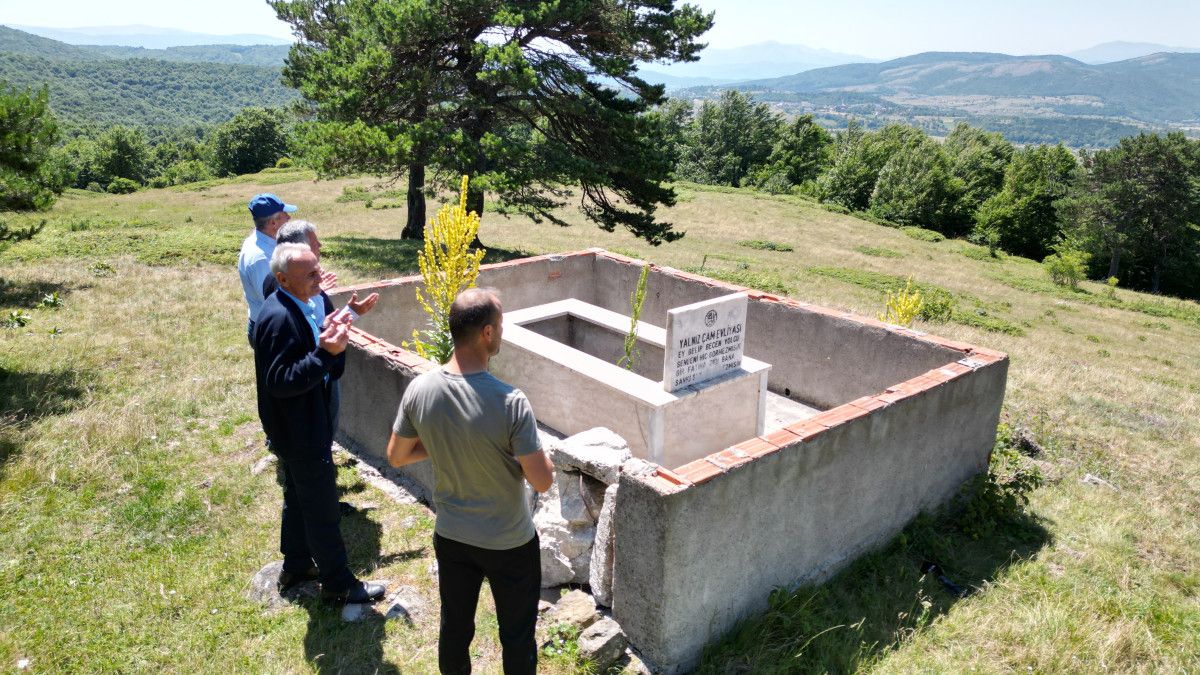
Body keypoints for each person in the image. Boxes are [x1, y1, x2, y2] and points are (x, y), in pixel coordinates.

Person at [387, 288, 555, 675]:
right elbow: (542, 482)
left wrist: (441, 443)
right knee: (516, 635)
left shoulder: (420, 389)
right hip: (509, 542)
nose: (502, 332)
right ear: (486, 333)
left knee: (455, 628)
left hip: (452, 537)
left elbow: (397, 455)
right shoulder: (511, 401)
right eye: (500, 325)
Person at [253, 242, 385, 605]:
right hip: (299, 430)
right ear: (282, 279)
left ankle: (296, 565)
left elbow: (319, 335)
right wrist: (326, 355)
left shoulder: (302, 303)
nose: (319, 278)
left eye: (317, 269)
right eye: (309, 274)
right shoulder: (278, 318)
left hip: (305, 424)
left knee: (299, 496)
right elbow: (280, 382)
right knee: (323, 507)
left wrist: (347, 319)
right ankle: (339, 583)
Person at [238, 193, 295, 346]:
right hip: (272, 332)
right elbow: (274, 301)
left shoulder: (261, 241)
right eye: (285, 215)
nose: (289, 218)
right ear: (273, 223)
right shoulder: (261, 259)